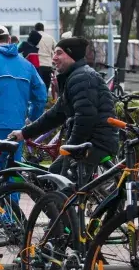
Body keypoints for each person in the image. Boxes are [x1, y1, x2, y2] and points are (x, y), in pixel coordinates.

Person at [9, 36, 117, 175]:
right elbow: (55, 115)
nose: (54, 58)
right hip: (91, 142)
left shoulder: (81, 77)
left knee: (61, 183)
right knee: (56, 175)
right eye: (54, 53)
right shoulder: (74, 77)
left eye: (59, 53)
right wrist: (24, 133)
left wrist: (70, 148)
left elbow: (85, 118)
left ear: (72, 55)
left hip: (96, 144)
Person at [0, 24, 47, 168]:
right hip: (17, 128)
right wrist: (32, 119)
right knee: (12, 170)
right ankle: (13, 191)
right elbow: (41, 96)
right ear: (9, 39)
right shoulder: (27, 65)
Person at [35, 22, 56, 88]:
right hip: (47, 64)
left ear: (35, 29)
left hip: (36, 65)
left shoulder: (33, 38)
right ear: (43, 29)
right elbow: (56, 48)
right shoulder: (50, 37)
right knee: (46, 85)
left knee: (38, 86)